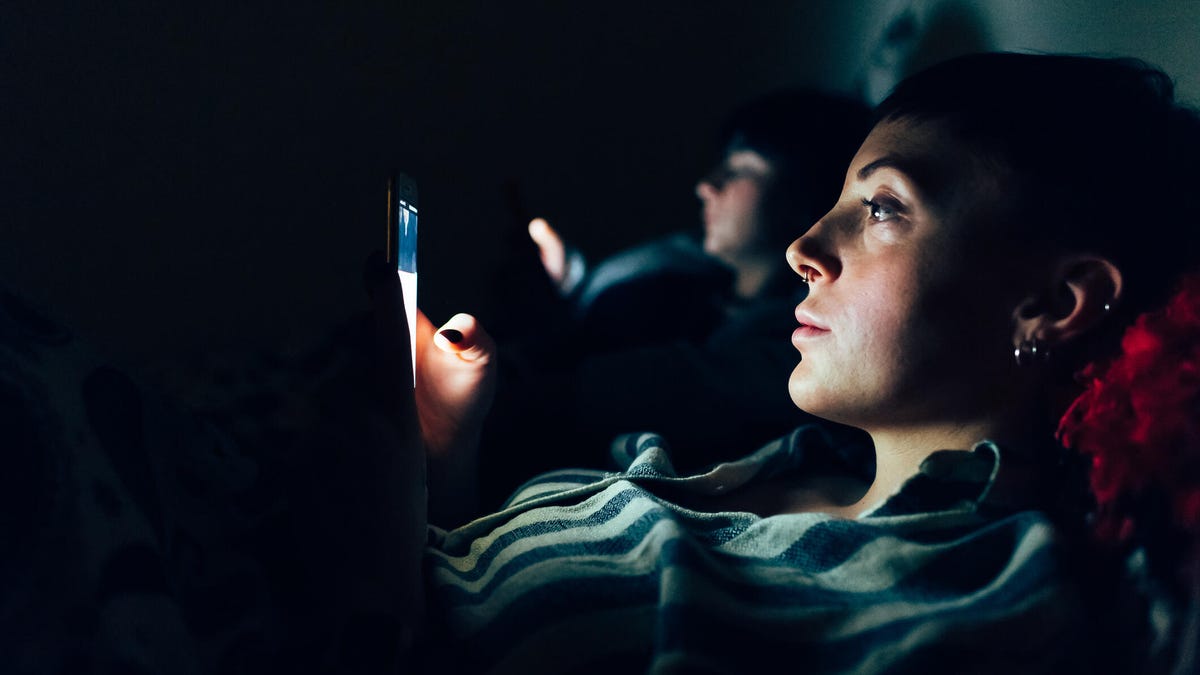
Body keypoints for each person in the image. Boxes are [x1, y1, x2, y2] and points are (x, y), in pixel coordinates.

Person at [392, 52, 1200, 672]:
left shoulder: (979, 597)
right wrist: (444, 445)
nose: (803, 248)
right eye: (839, 203)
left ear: (1056, 303)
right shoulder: (774, 461)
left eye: (882, 207)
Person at [480, 89, 873, 509]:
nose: (707, 186)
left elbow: (631, 388)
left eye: (740, 169)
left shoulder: (803, 344)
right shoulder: (677, 289)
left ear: (810, 194)